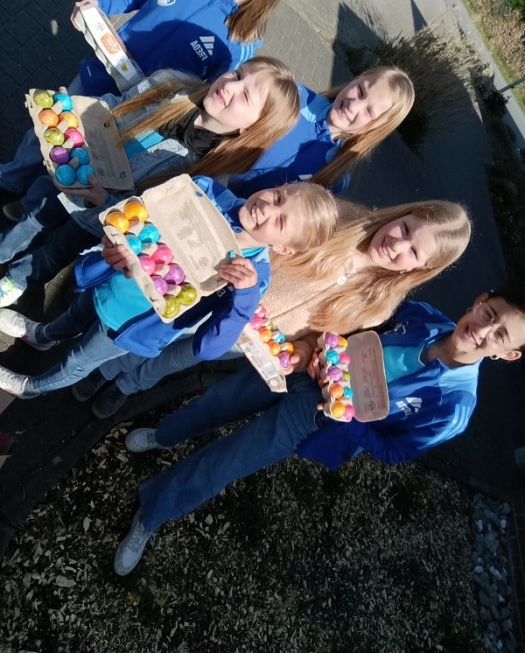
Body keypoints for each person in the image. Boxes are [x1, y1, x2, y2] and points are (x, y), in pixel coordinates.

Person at [109, 286, 525, 575]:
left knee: (225, 463)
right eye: (489, 314)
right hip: (300, 369)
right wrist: (324, 347)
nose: (482, 329)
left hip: (314, 417)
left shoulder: (453, 407)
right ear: (480, 300)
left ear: (508, 354)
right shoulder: (424, 316)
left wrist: (350, 418)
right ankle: (164, 435)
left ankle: (152, 512)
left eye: (499, 335)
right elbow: (362, 325)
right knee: (217, 402)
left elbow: (393, 451)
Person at [69, 199, 472, 417]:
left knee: (177, 359)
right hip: (218, 296)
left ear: (420, 269)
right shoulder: (340, 219)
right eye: (406, 228)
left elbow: (319, 339)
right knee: (159, 332)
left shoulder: (379, 305)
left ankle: (127, 386)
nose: (397, 244)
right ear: (402, 213)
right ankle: (107, 369)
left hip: (246, 342)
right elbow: (277, 232)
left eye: (413, 252)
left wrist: (300, 355)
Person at [0, 0, 304, 203]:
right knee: (46, 130)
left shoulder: (239, 43)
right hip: (96, 76)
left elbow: (206, 95)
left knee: (81, 160)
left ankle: (33, 206)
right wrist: (98, 0)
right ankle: (11, 179)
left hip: (132, 113)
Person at [0, 57, 299, 308]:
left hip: (96, 218)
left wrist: (103, 201)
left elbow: (146, 222)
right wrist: (74, 113)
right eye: (238, 74)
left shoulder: (206, 181)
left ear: (253, 128)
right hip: (70, 170)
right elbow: (112, 108)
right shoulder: (170, 85)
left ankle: (17, 279)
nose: (231, 85)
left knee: (55, 253)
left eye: (245, 96)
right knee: (32, 220)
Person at [0, 177, 337, 398]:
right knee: (74, 316)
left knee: (77, 360)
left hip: (130, 325)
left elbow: (207, 348)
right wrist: (110, 207)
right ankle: (42, 336)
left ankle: (31, 387)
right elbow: (139, 216)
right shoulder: (206, 192)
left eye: (280, 221)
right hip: (113, 283)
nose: (266, 208)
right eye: (278, 196)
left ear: (284, 249)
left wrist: (244, 298)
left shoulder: (254, 278)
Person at [227, 65, 415, 197]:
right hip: (212, 177)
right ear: (356, 79)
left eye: (369, 111)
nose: (354, 105)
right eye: (360, 91)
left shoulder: (336, 176)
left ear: (376, 127)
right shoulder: (294, 97)